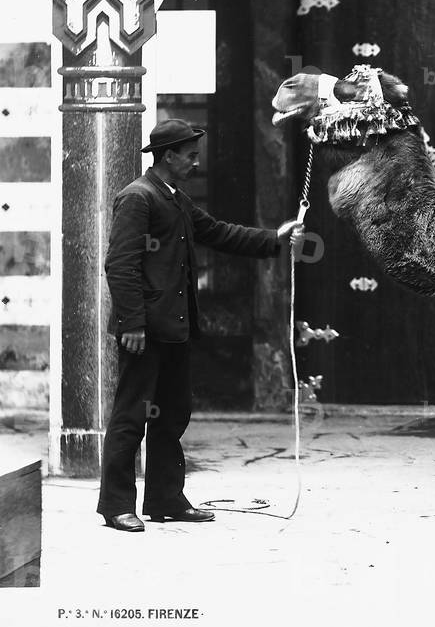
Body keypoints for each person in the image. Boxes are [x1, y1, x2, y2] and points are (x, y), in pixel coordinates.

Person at [97, 119, 304, 532]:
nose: (195, 163)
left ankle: (165, 499)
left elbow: (218, 232)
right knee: (131, 417)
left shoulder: (175, 199)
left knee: (172, 415)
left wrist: (275, 238)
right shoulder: (137, 197)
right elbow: (120, 265)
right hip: (145, 331)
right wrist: (132, 323)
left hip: (175, 328)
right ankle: (116, 506)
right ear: (168, 156)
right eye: (190, 156)